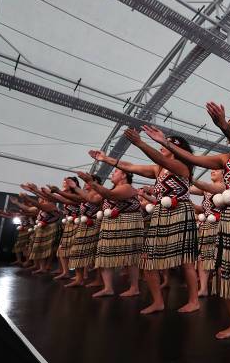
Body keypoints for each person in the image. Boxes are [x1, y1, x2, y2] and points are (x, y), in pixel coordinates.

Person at [142, 105, 230, 338]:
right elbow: (193, 158)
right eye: (229, 121)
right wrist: (164, 142)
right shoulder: (225, 158)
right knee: (225, 269)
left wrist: (223, 125)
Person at [89, 129, 199, 314]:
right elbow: (131, 167)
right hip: (161, 213)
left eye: (167, 143)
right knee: (147, 259)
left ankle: (194, 301)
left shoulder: (182, 167)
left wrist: (141, 143)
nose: (162, 145)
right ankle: (158, 302)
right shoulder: (158, 169)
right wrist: (107, 159)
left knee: (186, 260)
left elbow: (161, 159)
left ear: (176, 147)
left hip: (180, 211)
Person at [79, 169, 144, 298]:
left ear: (124, 175)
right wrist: (76, 187)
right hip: (110, 224)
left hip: (127, 223)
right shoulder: (111, 189)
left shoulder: (127, 188)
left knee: (130, 257)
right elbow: (91, 198)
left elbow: (111, 195)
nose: (112, 174)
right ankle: (108, 288)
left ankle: (134, 287)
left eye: (115, 172)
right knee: (104, 255)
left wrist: (90, 181)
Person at [61, 175, 104, 288]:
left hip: (94, 224)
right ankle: (79, 278)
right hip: (83, 224)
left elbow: (97, 205)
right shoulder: (84, 194)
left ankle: (98, 279)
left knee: (95, 254)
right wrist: (56, 193)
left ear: (95, 183)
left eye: (88, 181)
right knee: (76, 251)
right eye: (84, 181)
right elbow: (67, 199)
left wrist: (75, 188)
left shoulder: (100, 194)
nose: (85, 183)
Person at [190, 170, 226, 296]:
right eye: (212, 169)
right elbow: (192, 190)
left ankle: (223, 288)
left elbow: (202, 187)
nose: (212, 171)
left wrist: (190, 178)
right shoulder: (206, 190)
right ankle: (204, 288)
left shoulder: (224, 186)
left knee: (220, 259)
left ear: (223, 174)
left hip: (220, 226)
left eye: (216, 170)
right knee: (202, 258)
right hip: (206, 226)